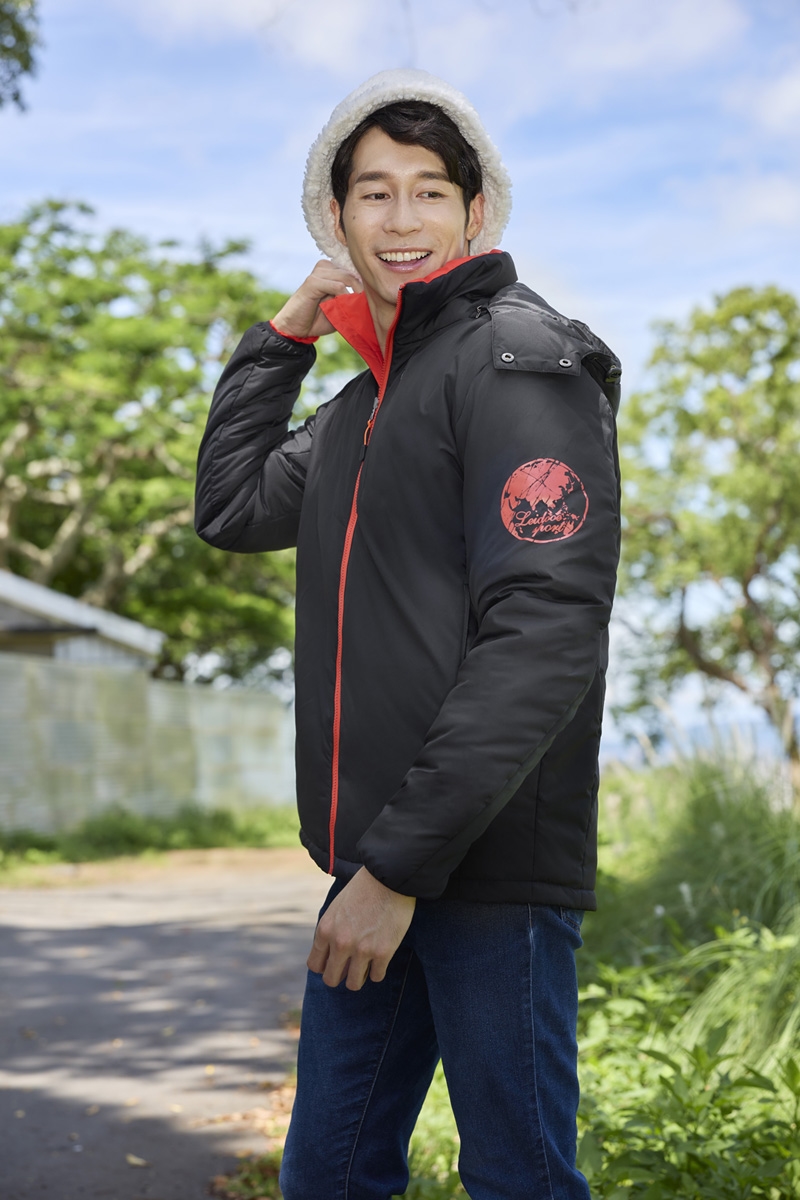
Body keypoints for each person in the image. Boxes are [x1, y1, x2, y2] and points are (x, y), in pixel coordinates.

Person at [195, 68, 621, 1200]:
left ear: (475, 212)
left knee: (519, 1180)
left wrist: (397, 868)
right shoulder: (364, 407)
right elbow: (231, 506)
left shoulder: (521, 359)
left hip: (477, 871)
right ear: (335, 218)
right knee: (328, 1178)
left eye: (429, 191)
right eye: (372, 193)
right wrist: (285, 334)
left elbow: (544, 631)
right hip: (370, 867)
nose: (401, 218)